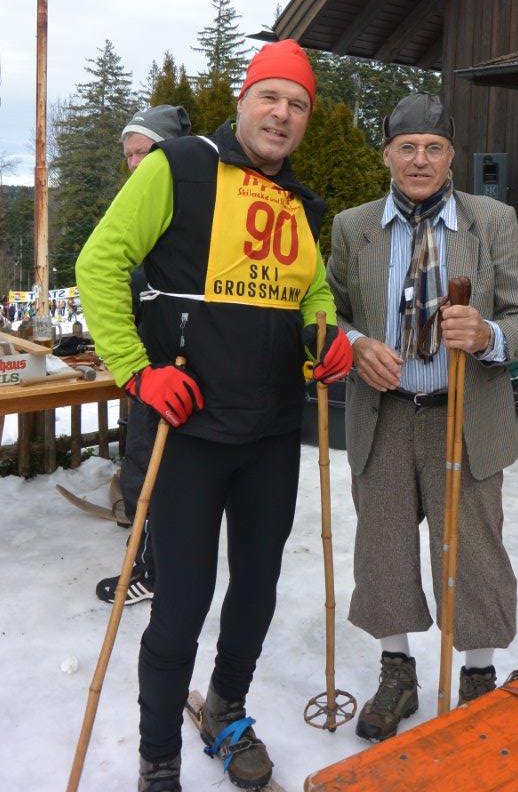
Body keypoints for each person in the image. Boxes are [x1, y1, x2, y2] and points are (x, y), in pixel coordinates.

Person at [76, 40, 352, 792]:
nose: (282, 115)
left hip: (271, 435)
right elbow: (99, 262)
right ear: (243, 101)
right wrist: (138, 370)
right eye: (271, 97)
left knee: (256, 590)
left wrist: (325, 338)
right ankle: (158, 755)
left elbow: (312, 293)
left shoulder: (300, 203)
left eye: (297, 105)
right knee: (182, 604)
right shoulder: (181, 166)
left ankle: (226, 708)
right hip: (187, 433)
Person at [326, 93, 518, 741]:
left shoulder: (491, 221)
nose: (420, 159)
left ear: (452, 157)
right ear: (387, 155)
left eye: (434, 147)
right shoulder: (354, 227)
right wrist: (353, 344)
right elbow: (326, 312)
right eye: (407, 147)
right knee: (384, 549)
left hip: (466, 416)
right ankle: (397, 671)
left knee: (474, 552)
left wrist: (487, 334)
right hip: (386, 414)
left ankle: (477, 674)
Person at [96, 104, 192, 607]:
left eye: (144, 152)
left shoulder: (185, 210)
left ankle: (153, 572)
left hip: (175, 370)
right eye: (129, 155)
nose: (135, 163)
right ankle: (152, 564)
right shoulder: (141, 210)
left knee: (159, 476)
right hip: (148, 367)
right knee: (142, 470)